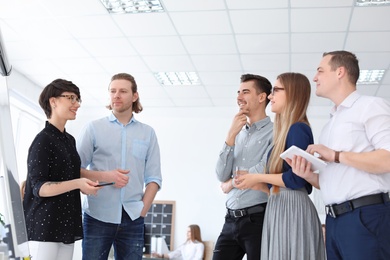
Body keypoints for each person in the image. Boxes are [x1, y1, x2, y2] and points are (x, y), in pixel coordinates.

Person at [291, 50, 390, 260]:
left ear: (340, 72)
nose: (315, 77)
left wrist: (336, 155)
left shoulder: (370, 106)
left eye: (320, 71)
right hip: (334, 222)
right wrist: (308, 175)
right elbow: (336, 180)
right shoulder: (330, 124)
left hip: (365, 217)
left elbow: (387, 159)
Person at [235, 72, 326, 260]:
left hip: (291, 209)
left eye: (276, 90)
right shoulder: (284, 133)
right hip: (279, 207)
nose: (270, 96)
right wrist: (257, 183)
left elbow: (295, 179)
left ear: (292, 93)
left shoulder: (298, 129)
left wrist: (258, 177)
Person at [77, 73, 162, 260]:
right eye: (112, 91)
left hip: (133, 218)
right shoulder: (93, 128)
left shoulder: (148, 133)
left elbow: (154, 178)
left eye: (123, 91)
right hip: (97, 215)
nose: (116, 95)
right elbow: (76, 171)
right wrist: (108, 176)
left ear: (134, 96)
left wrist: (143, 209)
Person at [23, 79, 100, 260]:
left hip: (66, 226)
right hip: (44, 228)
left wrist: (85, 184)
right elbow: (40, 188)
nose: (77, 104)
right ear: (53, 101)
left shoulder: (69, 140)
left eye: (78, 99)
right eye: (71, 98)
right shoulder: (42, 140)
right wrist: (78, 183)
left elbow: (69, 177)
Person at [213, 74, 273, 260]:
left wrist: (230, 184)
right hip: (230, 219)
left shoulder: (276, 132)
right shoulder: (237, 133)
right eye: (238, 92)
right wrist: (230, 136)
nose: (239, 97)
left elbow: (263, 169)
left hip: (258, 218)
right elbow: (221, 174)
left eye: (245, 92)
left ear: (262, 97)